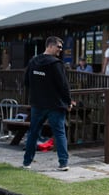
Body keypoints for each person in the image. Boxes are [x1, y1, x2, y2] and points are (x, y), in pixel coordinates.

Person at [22, 36, 75, 171]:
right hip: (55, 105)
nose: (60, 50)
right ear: (50, 46)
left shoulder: (33, 62)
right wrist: (68, 101)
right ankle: (63, 163)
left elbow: (26, 82)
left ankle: (26, 162)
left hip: (37, 104)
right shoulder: (56, 64)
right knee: (59, 133)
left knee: (33, 133)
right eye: (59, 47)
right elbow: (63, 85)